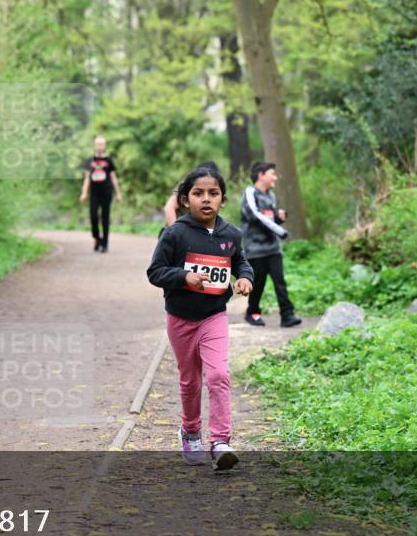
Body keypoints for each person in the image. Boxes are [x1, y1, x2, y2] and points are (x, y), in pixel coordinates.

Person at [146, 161, 253, 471]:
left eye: (213, 193)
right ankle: (191, 431)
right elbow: (155, 272)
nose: (206, 199)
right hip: (180, 318)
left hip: (213, 316)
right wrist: (183, 277)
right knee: (190, 380)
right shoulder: (174, 234)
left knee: (219, 374)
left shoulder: (231, 234)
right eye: (198, 193)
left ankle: (220, 441)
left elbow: (241, 263)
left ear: (222, 199)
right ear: (185, 199)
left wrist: (245, 278)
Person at [240, 162, 302, 328]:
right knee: (258, 284)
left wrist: (279, 218)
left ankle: (287, 315)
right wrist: (280, 230)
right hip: (256, 249)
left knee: (280, 282)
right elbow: (255, 215)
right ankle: (252, 313)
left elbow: (269, 218)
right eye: (272, 174)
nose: (275, 177)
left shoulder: (271, 196)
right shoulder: (250, 192)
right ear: (261, 175)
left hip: (273, 248)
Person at [79, 135, 122, 252]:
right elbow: (87, 178)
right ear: (94, 145)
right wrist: (84, 193)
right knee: (93, 216)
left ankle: (105, 243)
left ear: (105, 146)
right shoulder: (89, 161)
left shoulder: (109, 160)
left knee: (105, 217)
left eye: (102, 144)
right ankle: (97, 237)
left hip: (106, 192)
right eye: (97, 144)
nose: (99, 146)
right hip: (94, 193)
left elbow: (113, 177)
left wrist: (118, 193)